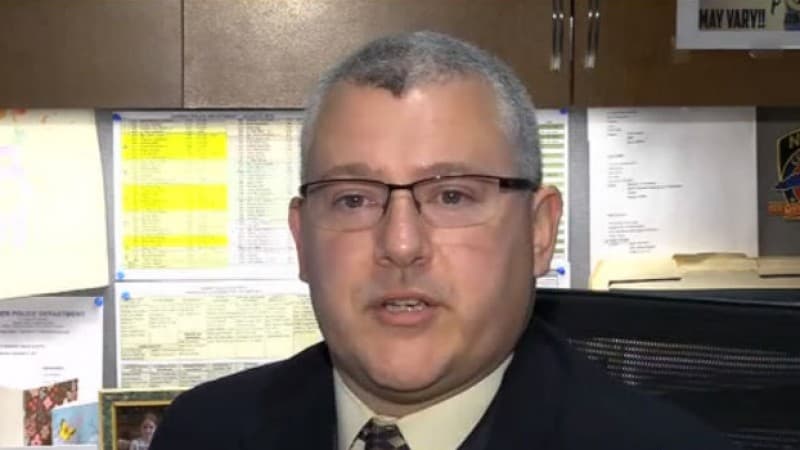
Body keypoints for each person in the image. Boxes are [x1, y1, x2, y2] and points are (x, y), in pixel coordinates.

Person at [151, 31, 736, 449]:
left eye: (452, 196)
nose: (402, 244)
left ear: (539, 232)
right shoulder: (203, 430)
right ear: (302, 240)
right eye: (353, 199)